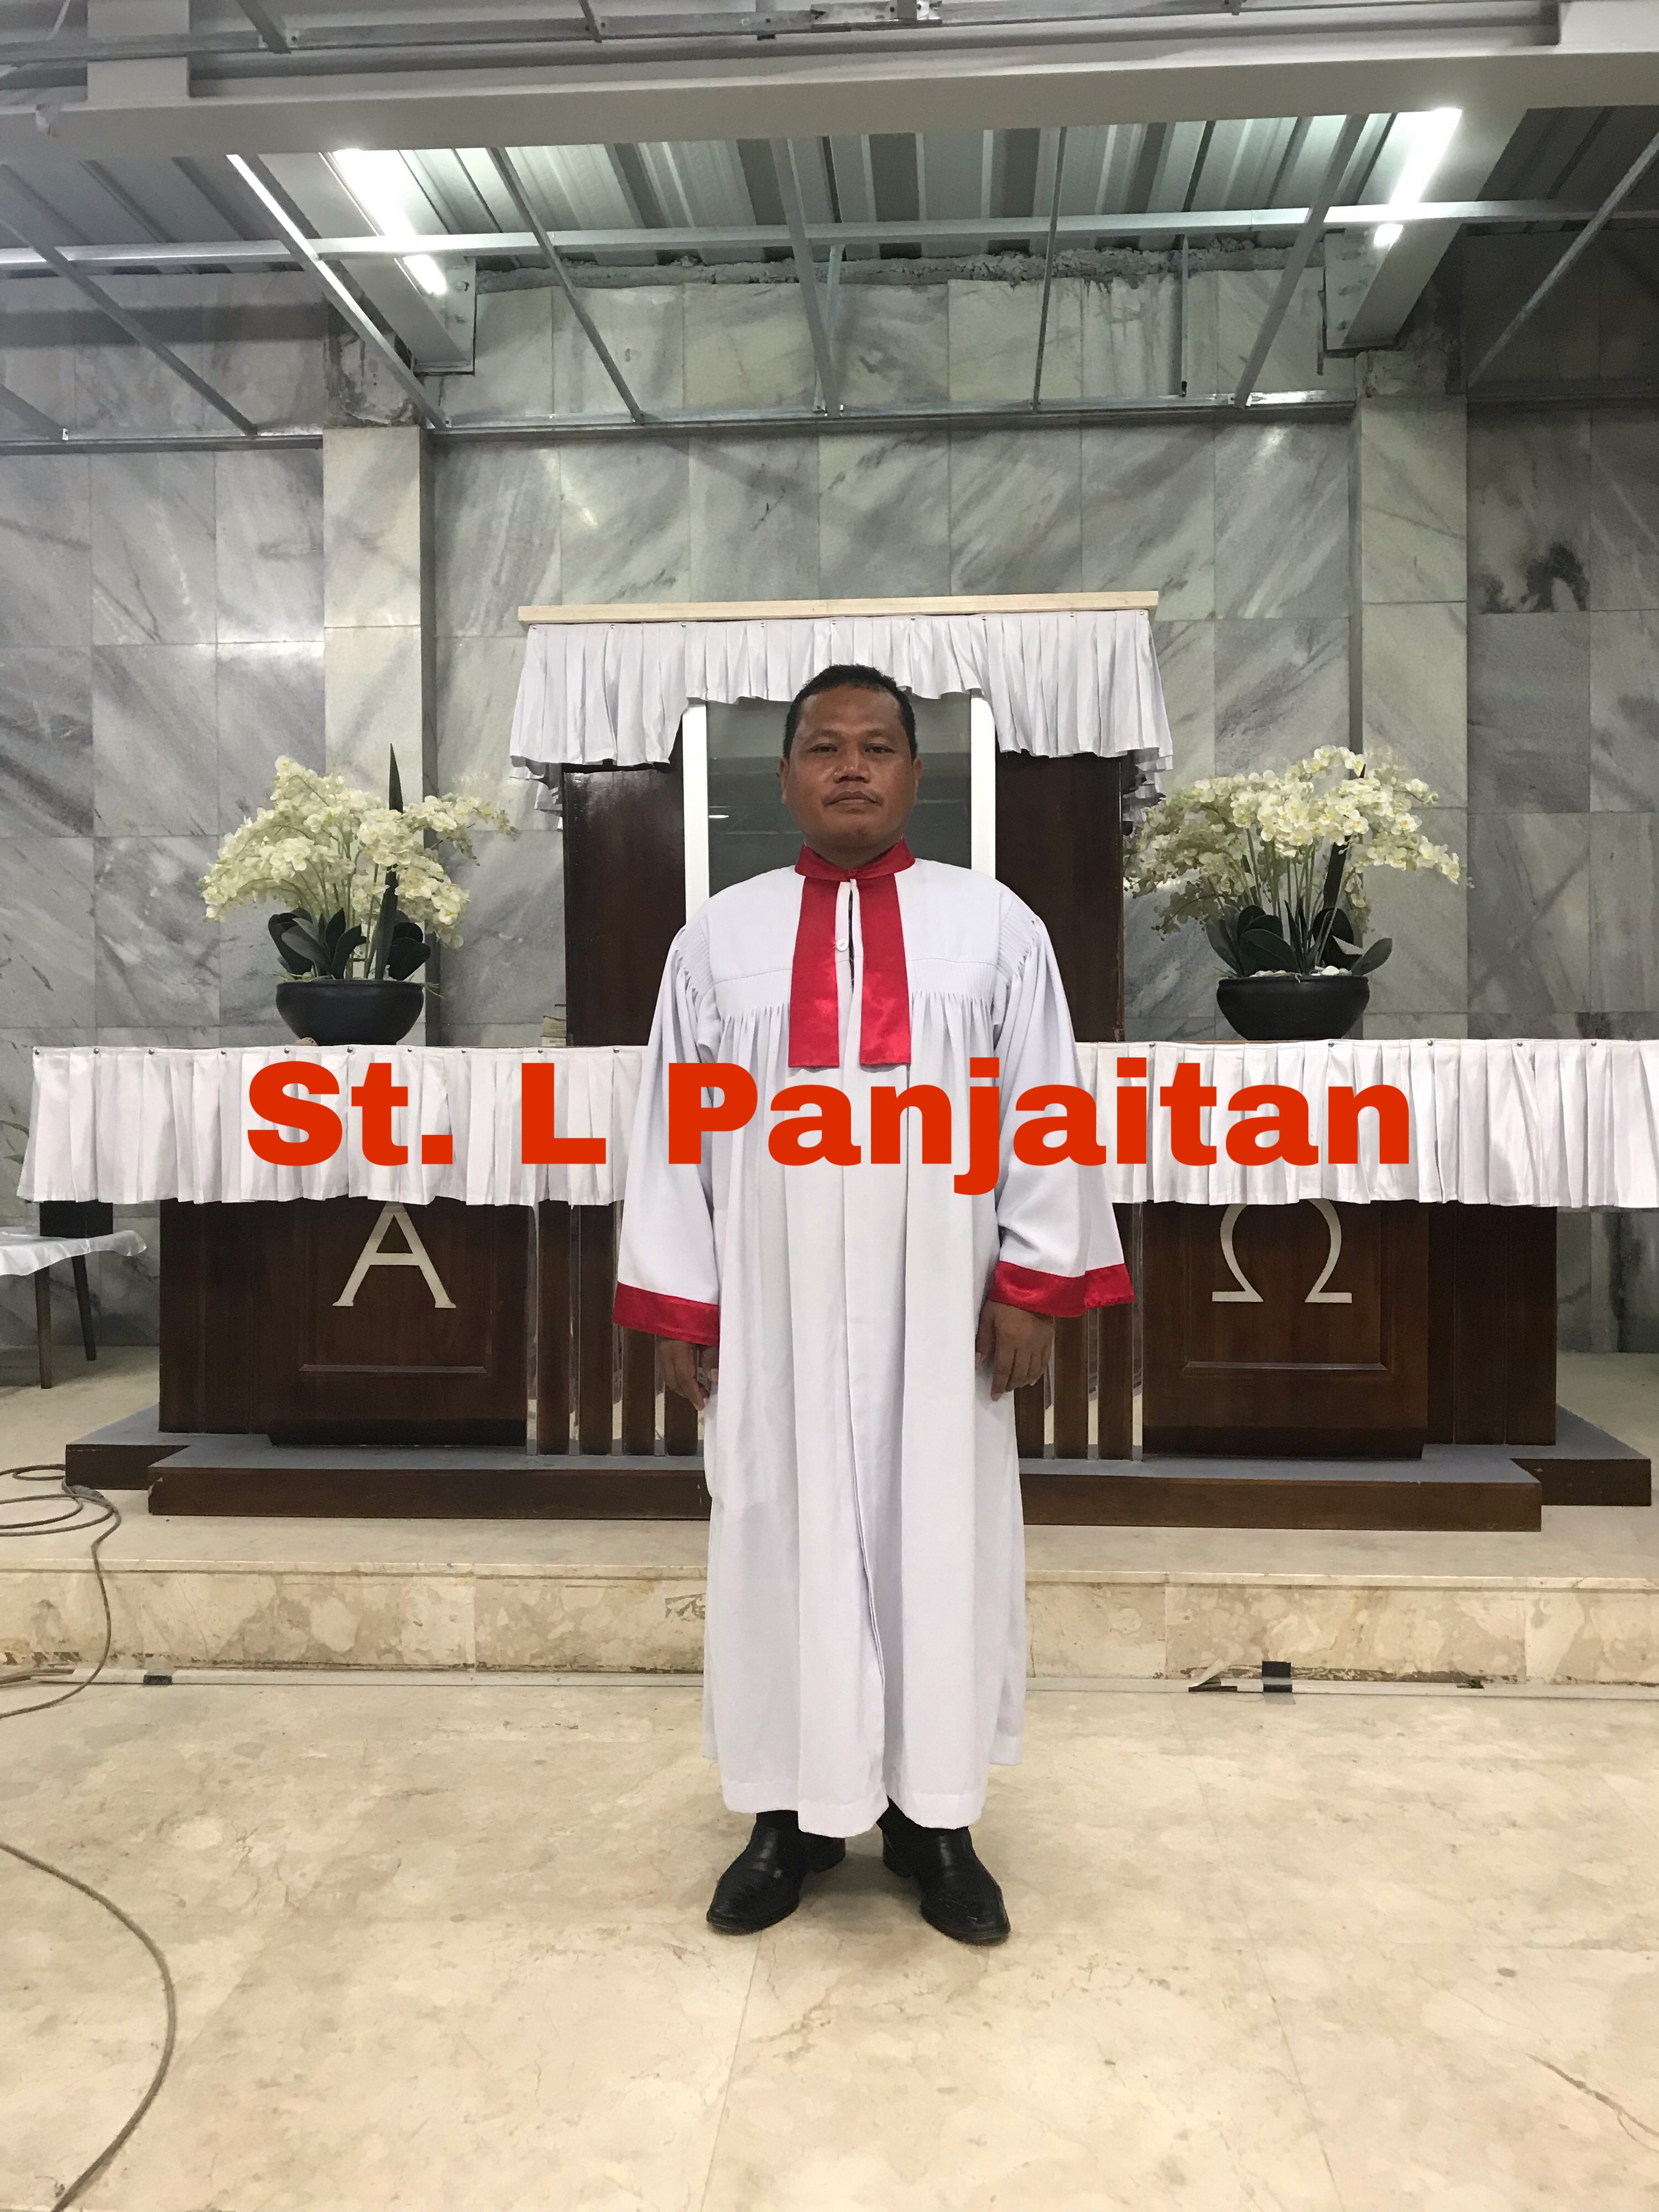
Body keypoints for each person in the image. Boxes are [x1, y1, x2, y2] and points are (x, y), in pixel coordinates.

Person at [614, 664, 1130, 1945]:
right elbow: (675, 1130)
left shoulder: (995, 928)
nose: (852, 765)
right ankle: (786, 1816)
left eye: (878, 745)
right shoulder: (717, 940)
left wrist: (1029, 1281)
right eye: (825, 746)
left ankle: (934, 1818)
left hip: (940, 1307)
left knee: (938, 1540)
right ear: (786, 775)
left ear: (915, 773)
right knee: (777, 1538)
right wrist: (684, 1299)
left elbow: (1047, 1109)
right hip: (773, 1311)